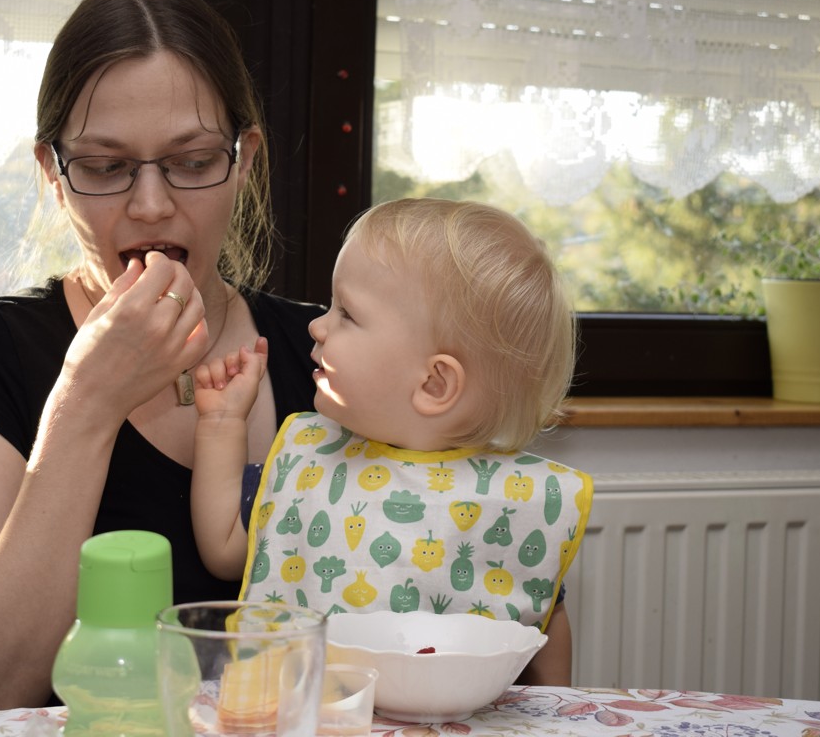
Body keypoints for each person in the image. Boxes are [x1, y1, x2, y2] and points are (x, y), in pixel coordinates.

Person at [0, 0, 323, 713]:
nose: (151, 205)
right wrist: (87, 402)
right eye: (105, 167)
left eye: (194, 161)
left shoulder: (328, 355)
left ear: (245, 159)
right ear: (53, 174)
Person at [191, 197, 592, 686]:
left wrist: (554, 711)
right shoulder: (307, 459)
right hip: (307, 714)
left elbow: (544, 626)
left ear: (434, 384)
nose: (317, 325)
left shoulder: (519, 508)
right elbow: (223, 548)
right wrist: (221, 422)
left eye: (347, 314)